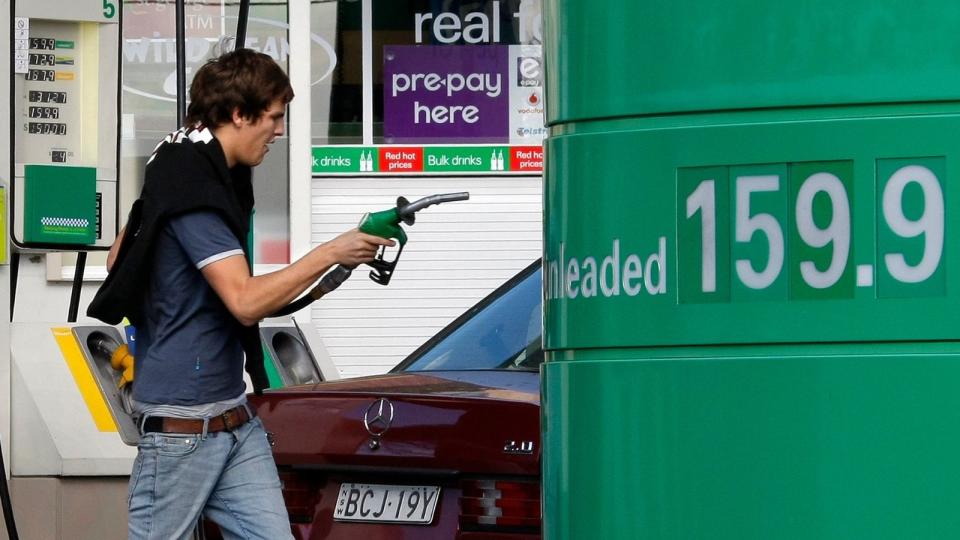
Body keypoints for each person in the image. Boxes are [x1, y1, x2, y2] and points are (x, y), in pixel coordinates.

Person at [88, 49, 393, 539]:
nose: (279, 131)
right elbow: (245, 301)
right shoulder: (196, 198)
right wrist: (330, 251)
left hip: (234, 422)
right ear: (238, 114)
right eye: (273, 117)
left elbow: (116, 259)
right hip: (182, 435)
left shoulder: (183, 171)